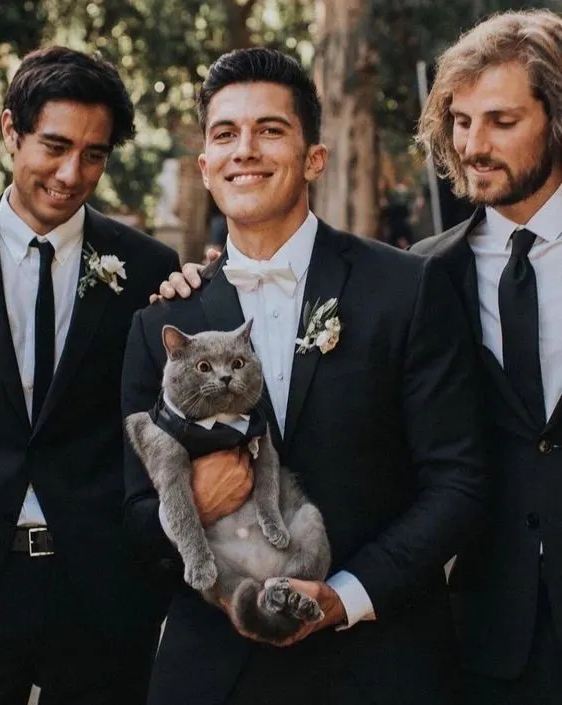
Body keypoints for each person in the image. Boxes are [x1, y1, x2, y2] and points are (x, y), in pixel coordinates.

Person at [122, 47, 488, 705]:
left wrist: (345, 598)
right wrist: (193, 505)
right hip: (214, 672)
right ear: (205, 165)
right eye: (225, 133)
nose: (245, 149)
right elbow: (134, 515)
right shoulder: (161, 324)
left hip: (379, 662)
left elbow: (458, 479)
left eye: (271, 129)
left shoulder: (405, 290)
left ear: (313, 157)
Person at [0, 46, 186, 705]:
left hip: (102, 586)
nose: (72, 173)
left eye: (95, 154)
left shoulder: (149, 267)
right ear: (8, 129)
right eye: (54, 145)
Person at [414, 9, 562, 704]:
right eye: (462, 121)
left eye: (501, 121)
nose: (473, 145)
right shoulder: (423, 278)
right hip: (485, 639)